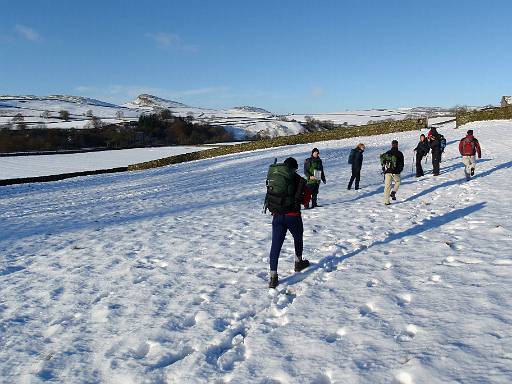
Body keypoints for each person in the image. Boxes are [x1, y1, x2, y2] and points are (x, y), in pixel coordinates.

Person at [267, 157, 311, 288]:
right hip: (293, 216)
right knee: (298, 238)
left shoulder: (275, 177)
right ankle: (298, 263)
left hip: (277, 216)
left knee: (275, 245)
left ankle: (273, 277)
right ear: (295, 168)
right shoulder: (299, 180)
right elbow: (305, 201)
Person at [381, 140, 404, 205]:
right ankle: (393, 192)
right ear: (397, 145)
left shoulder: (387, 152)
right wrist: (399, 170)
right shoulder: (399, 153)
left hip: (387, 172)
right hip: (395, 172)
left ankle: (386, 201)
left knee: (387, 186)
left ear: (391, 145)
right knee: (398, 182)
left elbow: (384, 162)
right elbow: (402, 164)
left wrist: (384, 170)